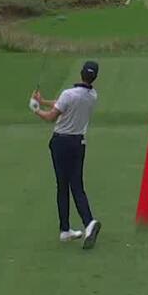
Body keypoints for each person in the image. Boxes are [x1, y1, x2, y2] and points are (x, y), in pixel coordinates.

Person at [31, 60, 102, 248]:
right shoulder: (92, 95)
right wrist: (43, 101)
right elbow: (62, 104)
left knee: (63, 186)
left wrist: (36, 109)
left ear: (81, 73)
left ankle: (85, 224)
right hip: (78, 144)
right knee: (76, 185)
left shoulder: (68, 94)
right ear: (94, 77)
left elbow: (51, 116)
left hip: (61, 143)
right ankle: (68, 230)